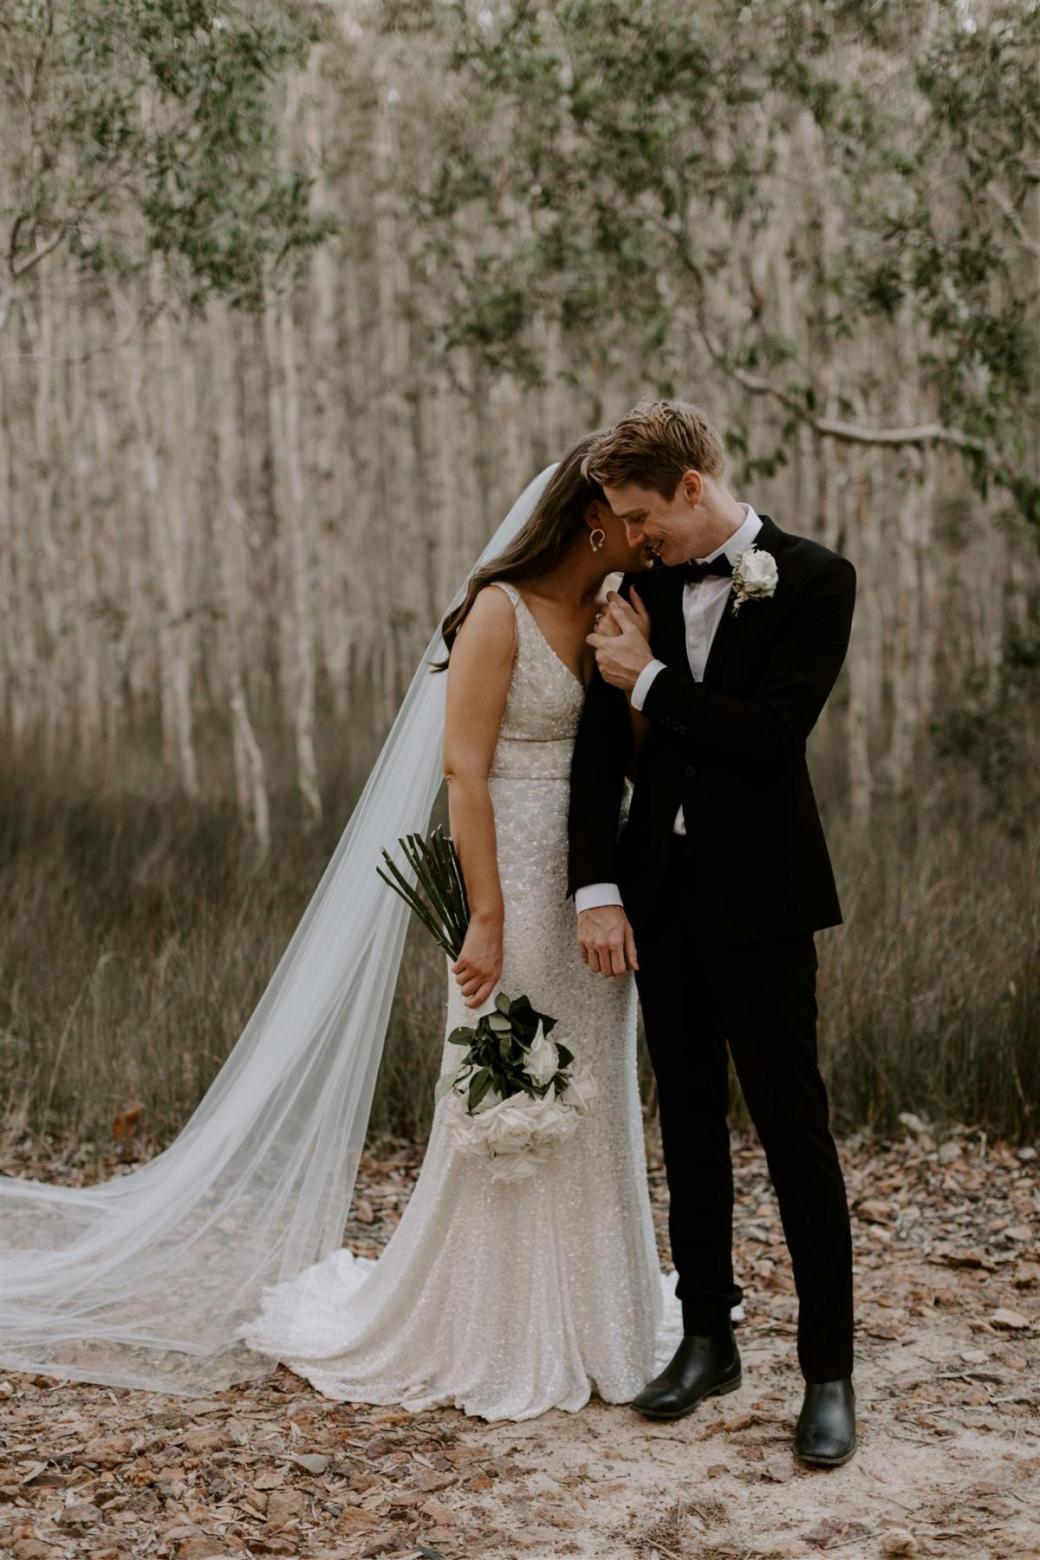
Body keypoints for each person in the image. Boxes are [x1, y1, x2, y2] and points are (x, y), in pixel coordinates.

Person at [233, 436, 739, 1418]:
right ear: (593, 518)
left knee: (587, 1085)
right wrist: (486, 915)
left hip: (592, 883)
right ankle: (486, 1320)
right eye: (629, 523)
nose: (644, 539)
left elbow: (633, 753)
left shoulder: (617, 609)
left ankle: (598, 1312)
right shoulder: (496, 613)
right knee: (505, 1083)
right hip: (505, 868)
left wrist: (632, 671)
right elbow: (462, 770)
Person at [569, 400, 858, 1466]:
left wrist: (649, 679)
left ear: (693, 487)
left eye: (645, 516)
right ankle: (705, 1338)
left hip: (767, 898)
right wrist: (594, 885)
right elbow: (601, 757)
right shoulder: (634, 588)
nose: (636, 538)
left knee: (793, 1127)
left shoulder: (815, 578)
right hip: (660, 892)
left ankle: (826, 1372)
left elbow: (772, 738)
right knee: (686, 1121)